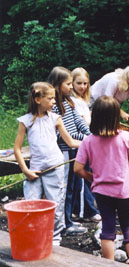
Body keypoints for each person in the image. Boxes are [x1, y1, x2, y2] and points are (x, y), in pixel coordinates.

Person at [74, 96, 129, 267]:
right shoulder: (126, 137)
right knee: (128, 227)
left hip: (102, 192)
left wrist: (94, 178)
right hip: (124, 191)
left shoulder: (88, 141)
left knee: (108, 228)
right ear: (116, 117)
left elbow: (78, 169)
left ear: (95, 116)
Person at [13, 82, 81, 246]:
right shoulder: (25, 121)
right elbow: (17, 149)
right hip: (34, 170)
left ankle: (54, 238)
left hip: (55, 167)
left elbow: (71, 142)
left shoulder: (55, 119)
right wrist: (25, 170)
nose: (53, 102)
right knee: (31, 204)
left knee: (56, 204)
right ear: (37, 99)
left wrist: (93, 143)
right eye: (50, 99)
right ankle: (34, 236)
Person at [49, 66, 90, 236]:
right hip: (65, 150)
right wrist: (84, 139)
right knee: (64, 188)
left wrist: (89, 135)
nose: (71, 87)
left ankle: (68, 220)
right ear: (58, 85)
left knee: (73, 187)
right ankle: (62, 224)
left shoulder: (69, 101)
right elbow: (61, 134)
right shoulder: (54, 106)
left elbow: (78, 122)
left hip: (76, 149)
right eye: (68, 84)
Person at [70, 67, 101, 223]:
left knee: (88, 175)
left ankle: (82, 208)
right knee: (82, 178)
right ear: (72, 83)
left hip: (87, 141)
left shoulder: (83, 100)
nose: (82, 87)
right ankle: (86, 211)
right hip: (78, 144)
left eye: (85, 83)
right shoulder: (72, 102)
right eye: (79, 83)